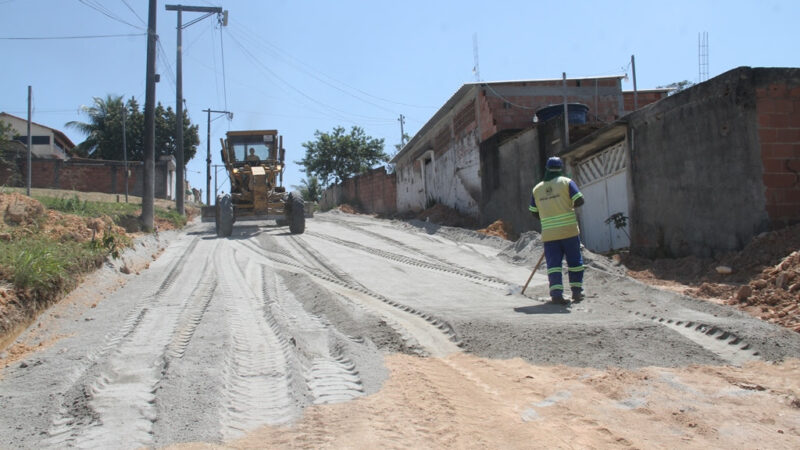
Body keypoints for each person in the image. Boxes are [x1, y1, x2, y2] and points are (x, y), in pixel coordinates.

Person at [529, 156, 585, 304]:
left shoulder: (537, 189)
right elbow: (580, 200)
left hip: (549, 234)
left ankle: (556, 295)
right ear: (560, 168)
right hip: (569, 231)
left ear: (546, 168)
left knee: (554, 265)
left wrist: (547, 212)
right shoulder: (567, 183)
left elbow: (534, 212)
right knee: (575, 262)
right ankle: (577, 292)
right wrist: (567, 204)